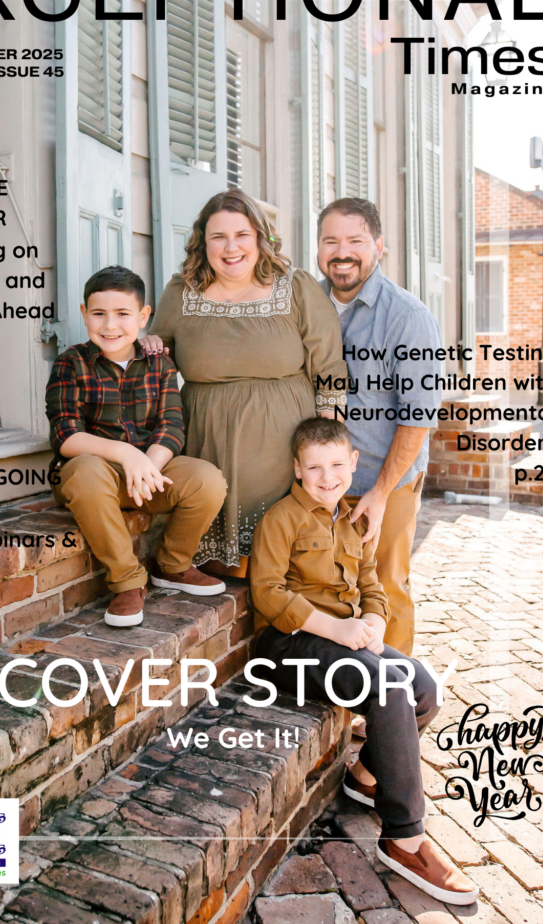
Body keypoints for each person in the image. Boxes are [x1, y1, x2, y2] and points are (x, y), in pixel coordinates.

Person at [249, 418, 479, 906]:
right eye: (314, 467)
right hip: (288, 648)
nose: (326, 476)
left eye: (336, 464)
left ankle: (364, 778)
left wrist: (373, 620)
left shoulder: (352, 518)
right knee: (390, 687)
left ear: (353, 465)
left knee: (423, 685)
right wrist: (337, 629)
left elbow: (371, 584)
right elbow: (267, 594)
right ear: (297, 468)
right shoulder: (282, 518)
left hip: (348, 642)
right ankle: (405, 839)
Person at [140, 189, 347, 576]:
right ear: (203, 242)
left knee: (281, 565)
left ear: (260, 238)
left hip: (283, 451)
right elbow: (157, 354)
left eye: (242, 235)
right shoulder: (181, 292)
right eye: (218, 236)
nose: (231, 247)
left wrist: (326, 447)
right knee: (217, 572)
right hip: (206, 442)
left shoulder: (295, 287)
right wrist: (147, 342)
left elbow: (329, 368)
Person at [45, 266, 228, 627]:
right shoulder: (72, 363)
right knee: (83, 470)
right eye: (98, 314)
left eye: (122, 314)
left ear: (143, 317)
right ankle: (128, 582)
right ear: (84, 314)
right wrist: (127, 456)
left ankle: (173, 564)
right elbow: (65, 435)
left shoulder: (158, 363)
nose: (110, 325)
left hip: (150, 471)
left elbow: (172, 427)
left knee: (208, 479)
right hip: (98, 477)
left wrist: (148, 464)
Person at [316, 197, 442, 657]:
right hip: (319, 482)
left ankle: (393, 707)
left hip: (380, 479)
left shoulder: (407, 318)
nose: (342, 252)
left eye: (355, 240)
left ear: (379, 246)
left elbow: (418, 417)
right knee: (329, 592)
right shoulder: (308, 306)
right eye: (331, 240)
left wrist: (381, 492)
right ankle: (343, 696)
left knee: (384, 586)